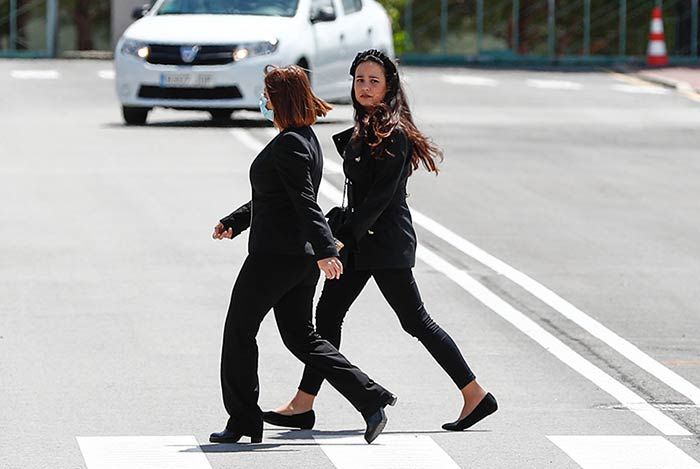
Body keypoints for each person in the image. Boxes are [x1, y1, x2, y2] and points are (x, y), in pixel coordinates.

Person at [264, 50, 497, 432]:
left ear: (388, 87)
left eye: (374, 81)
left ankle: (474, 393)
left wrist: (338, 239)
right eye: (359, 80)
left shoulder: (394, 133)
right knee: (327, 316)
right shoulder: (367, 127)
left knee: (415, 321)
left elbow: (379, 200)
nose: (365, 88)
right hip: (361, 242)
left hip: (385, 243)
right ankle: (303, 403)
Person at [209, 64, 396, 445]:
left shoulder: (290, 142)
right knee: (302, 337)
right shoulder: (305, 138)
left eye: (267, 94)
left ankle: (243, 419)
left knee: (239, 330)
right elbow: (274, 197)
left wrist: (328, 251)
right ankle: (370, 398)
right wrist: (236, 221)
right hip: (297, 258)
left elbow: (305, 201)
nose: (263, 100)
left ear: (279, 99)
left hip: (274, 258)